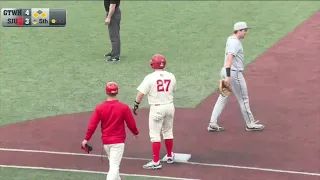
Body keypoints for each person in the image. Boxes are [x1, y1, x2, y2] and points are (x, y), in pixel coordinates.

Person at [207, 22, 265, 132]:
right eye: (245, 30)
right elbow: (229, 59)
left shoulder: (231, 39)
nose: (246, 33)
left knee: (223, 97)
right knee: (243, 99)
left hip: (225, 71)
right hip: (233, 74)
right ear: (240, 30)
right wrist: (228, 77)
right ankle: (250, 123)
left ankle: (212, 123)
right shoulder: (235, 43)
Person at [81, 82, 139, 180]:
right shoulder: (123, 107)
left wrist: (86, 138)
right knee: (114, 166)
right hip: (118, 142)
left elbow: (92, 125)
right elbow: (131, 123)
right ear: (117, 92)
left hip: (106, 142)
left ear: (106, 92)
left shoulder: (100, 107)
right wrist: (135, 133)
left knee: (113, 165)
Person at [133, 54, 177, 170]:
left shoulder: (149, 78)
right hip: (169, 106)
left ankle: (156, 161)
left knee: (155, 135)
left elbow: (141, 93)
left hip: (157, 108)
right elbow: (173, 89)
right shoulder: (171, 76)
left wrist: (136, 104)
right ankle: (169, 155)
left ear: (153, 64)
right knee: (168, 132)